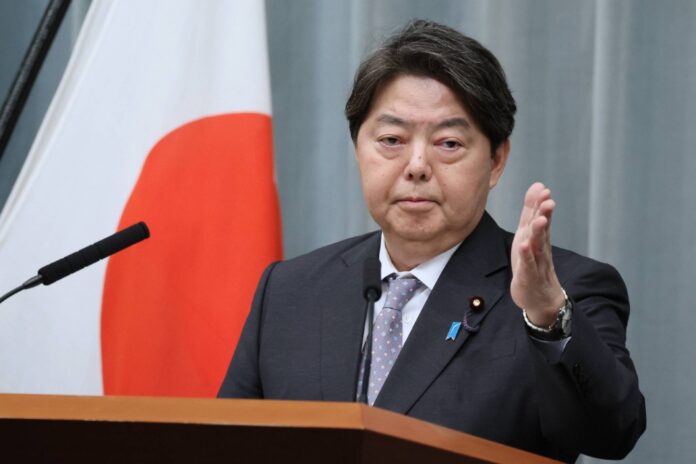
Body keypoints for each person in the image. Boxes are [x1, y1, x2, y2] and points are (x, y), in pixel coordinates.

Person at [218, 20, 645, 462]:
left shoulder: (562, 293)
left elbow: (611, 434)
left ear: (496, 160)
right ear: (357, 149)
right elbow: (225, 446)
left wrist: (548, 316)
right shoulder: (290, 291)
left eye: (448, 143)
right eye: (391, 140)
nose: (417, 165)